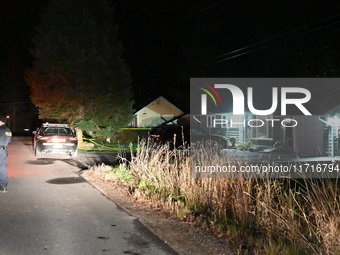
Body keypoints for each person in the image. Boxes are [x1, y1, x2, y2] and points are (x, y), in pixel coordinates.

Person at [0, 115, 12, 193]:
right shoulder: (8, 130)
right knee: (2, 168)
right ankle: (3, 186)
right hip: (4, 151)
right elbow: (10, 141)